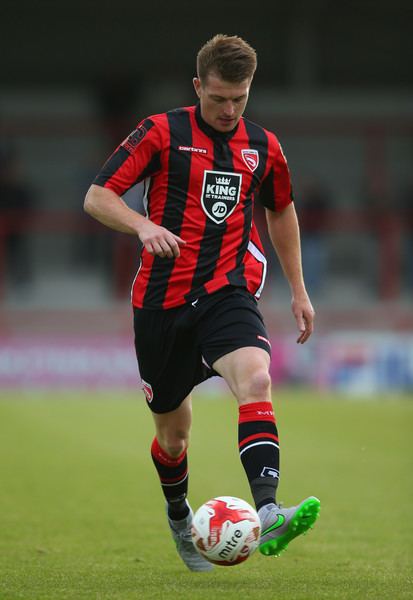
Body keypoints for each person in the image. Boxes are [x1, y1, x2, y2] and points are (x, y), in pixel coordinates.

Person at [84, 34, 320, 572]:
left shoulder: (264, 146)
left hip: (226, 290)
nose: (229, 109)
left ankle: (268, 510)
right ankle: (178, 518)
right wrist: (143, 226)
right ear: (197, 87)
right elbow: (97, 196)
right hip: (160, 304)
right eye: (218, 98)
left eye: (239, 98)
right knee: (173, 438)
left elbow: (280, 210)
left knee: (256, 378)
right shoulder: (161, 131)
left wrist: (300, 291)